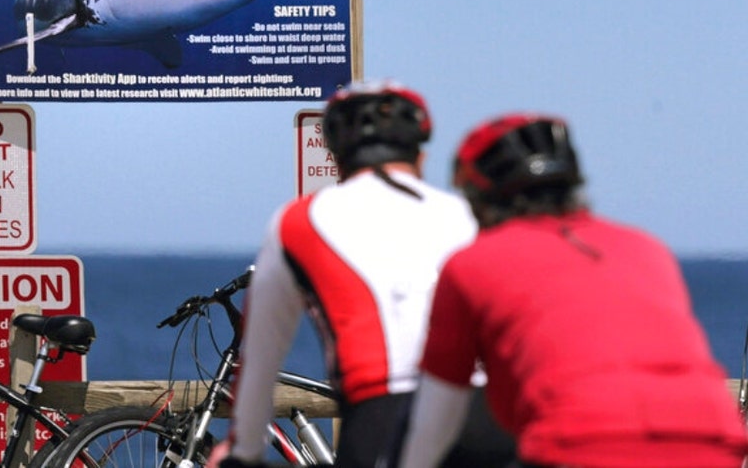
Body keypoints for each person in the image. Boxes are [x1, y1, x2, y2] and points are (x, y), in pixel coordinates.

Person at [394, 113, 748, 467]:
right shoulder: (646, 249)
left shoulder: (472, 264)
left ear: (478, 196)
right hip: (712, 444)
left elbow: (436, 417)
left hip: (581, 447)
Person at [220, 80, 513, 468]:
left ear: (337, 160)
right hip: (489, 419)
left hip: (385, 418)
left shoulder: (298, 222)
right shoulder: (469, 216)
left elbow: (260, 359)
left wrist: (242, 452)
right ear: (420, 158)